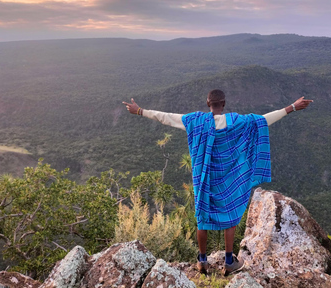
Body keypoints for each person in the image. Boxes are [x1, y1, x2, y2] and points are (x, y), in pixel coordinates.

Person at [123, 90, 313, 276]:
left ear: (208, 104)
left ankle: (202, 261)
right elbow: (264, 120)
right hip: (228, 179)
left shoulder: (195, 121)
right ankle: (229, 262)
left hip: (204, 179)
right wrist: (292, 107)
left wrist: (140, 110)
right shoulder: (238, 122)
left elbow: (166, 117)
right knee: (230, 216)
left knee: (202, 218)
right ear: (223, 104)